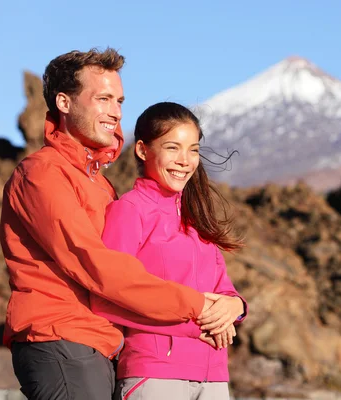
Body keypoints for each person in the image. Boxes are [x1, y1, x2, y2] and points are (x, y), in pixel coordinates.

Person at [0, 49, 224, 400]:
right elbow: (95, 264)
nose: (116, 111)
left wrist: (230, 305)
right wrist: (197, 308)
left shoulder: (100, 184)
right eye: (103, 98)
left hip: (98, 344)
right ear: (64, 102)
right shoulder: (42, 173)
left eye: (119, 100)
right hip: (60, 338)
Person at [91, 102, 247, 400]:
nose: (185, 161)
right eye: (173, 148)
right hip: (155, 375)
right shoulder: (129, 211)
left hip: (214, 377)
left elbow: (223, 289)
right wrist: (194, 324)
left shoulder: (196, 219)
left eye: (194, 150)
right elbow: (109, 298)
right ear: (142, 150)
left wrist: (236, 307)